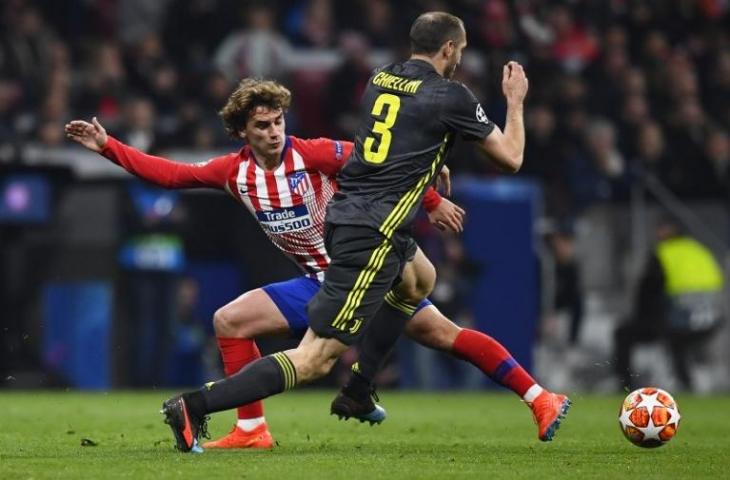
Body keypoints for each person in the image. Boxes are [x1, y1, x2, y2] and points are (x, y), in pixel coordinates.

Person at [65, 74, 560, 450]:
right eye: (262, 125)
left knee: (389, 343)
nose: (275, 131)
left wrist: (432, 200)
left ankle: (535, 397)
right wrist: (108, 146)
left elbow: (383, 165)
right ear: (242, 131)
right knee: (231, 321)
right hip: (324, 280)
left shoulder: (315, 153)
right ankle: (253, 429)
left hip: (358, 271)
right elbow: (170, 174)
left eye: (278, 121)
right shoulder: (232, 173)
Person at [614, 217, 724, 391]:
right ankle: (687, 382)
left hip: (677, 322)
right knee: (677, 341)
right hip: (711, 322)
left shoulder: (664, 253)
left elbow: (648, 292)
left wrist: (640, 317)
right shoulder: (699, 250)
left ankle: (624, 385)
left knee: (624, 332)